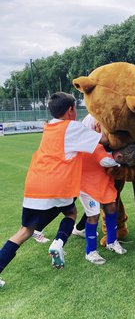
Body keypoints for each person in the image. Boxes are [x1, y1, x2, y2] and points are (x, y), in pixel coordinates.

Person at [0, 92, 110, 287]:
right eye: (75, 108)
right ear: (70, 110)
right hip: (57, 185)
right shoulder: (72, 127)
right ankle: (58, 243)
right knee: (71, 213)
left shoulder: (48, 126)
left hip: (34, 185)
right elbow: (104, 141)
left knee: (25, 230)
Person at [77, 114, 135, 265]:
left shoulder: (114, 142)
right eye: (122, 161)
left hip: (103, 181)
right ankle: (91, 251)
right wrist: (120, 163)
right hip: (88, 183)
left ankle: (112, 241)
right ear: (119, 155)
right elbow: (106, 160)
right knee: (93, 215)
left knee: (112, 207)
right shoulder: (97, 138)